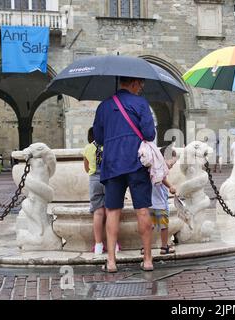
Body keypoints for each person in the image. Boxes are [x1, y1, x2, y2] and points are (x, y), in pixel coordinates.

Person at [93, 76, 156, 273]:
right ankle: (147, 259)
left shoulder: (103, 106)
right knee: (143, 210)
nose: (141, 88)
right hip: (136, 162)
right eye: (141, 85)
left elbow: (98, 137)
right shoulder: (141, 103)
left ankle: (111, 261)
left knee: (112, 211)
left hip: (112, 164)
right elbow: (149, 134)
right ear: (135, 83)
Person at [82, 127, 115, 258]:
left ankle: (98, 245)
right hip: (109, 179)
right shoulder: (110, 147)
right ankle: (113, 244)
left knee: (98, 212)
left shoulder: (87, 148)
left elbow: (87, 168)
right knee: (111, 212)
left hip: (94, 180)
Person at [149, 147, 178, 255]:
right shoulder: (160, 169)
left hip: (149, 203)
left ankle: (145, 247)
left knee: (149, 227)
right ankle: (164, 247)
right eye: (172, 163)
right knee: (164, 226)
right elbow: (163, 179)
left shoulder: (152, 167)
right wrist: (171, 187)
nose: (172, 166)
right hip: (160, 203)